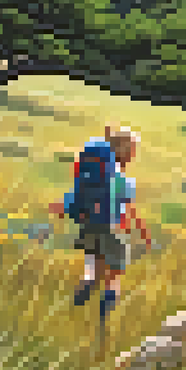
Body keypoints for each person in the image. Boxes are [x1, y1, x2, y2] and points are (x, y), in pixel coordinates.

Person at [63, 127, 153, 323]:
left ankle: (74, 310)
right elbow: (130, 210)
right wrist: (144, 234)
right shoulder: (123, 180)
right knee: (113, 279)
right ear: (126, 153)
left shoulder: (96, 175)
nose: (134, 155)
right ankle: (105, 320)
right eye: (133, 150)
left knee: (92, 273)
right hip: (112, 230)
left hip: (89, 227)